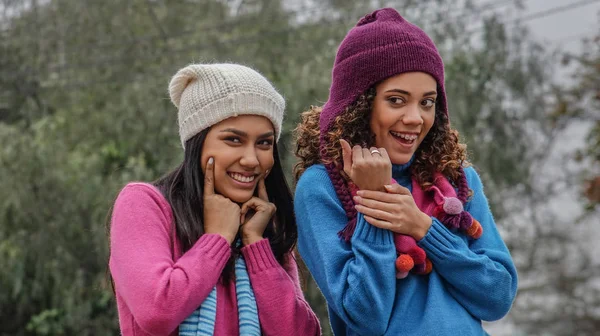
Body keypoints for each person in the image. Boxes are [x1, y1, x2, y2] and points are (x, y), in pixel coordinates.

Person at [293, 8, 517, 336]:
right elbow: (365, 317)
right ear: (360, 104)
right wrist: (373, 201)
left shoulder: (459, 181)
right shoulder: (323, 187)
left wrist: (423, 227)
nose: (416, 118)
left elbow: (497, 297)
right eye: (397, 100)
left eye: (427, 102)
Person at [108, 63, 321, 336]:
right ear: (197, 143)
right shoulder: (144, 204)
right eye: (233, 139)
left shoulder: (262, 226)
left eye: (264, 143)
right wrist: (217, 239)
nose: (251, 159)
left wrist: (256, 245)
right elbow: (157, 312)